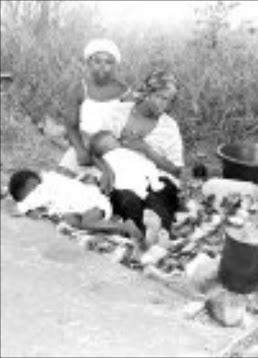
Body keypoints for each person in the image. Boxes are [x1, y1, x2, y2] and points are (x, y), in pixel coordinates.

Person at [59, 38, 132, 190]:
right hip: (84, 147)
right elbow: (71, 126)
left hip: (112, 150)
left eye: (108, 62)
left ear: (115, 65)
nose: (102, 67)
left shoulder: (124, 92)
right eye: (97, 61)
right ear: (88, 63)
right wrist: (80, 150)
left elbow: (129, 130)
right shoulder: (79, 88)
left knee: (116, 190)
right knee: (61, 187)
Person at [88, 131, 180, 238]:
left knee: (158, 194)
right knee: (135, 200)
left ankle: (159, 228)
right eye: (114, 139)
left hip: (140, 186)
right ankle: (153, 229)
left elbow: (145, 164)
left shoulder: (127, 153)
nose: (118, 141)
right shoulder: (108, 159)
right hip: (129, 190)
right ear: (107, 146)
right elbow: (147, 166)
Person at [8, 169, 140, 238]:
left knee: (87, 223)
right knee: (70, 222)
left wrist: (21, 207)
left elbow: (24, 206)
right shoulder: (50, 180)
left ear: (32, 186)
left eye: (27, 195)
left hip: (93, 203)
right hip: (84, 205)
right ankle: (110, 225)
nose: (29, 199)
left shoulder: (44, 187)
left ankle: (125, 227)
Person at [119, 69, 184, 184]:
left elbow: (177, 171)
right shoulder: (121, 112)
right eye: (161, 98)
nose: (165, 105)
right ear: (147, 93)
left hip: (157, 180)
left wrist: (147, 150)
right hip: (121, 177)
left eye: (170, 100)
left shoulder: (169, 126)